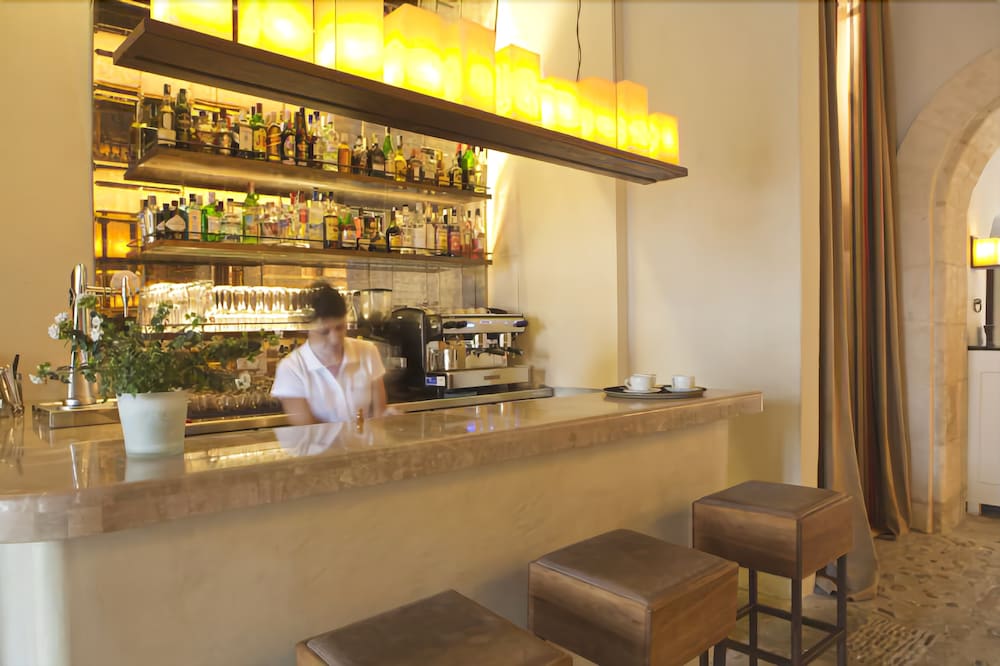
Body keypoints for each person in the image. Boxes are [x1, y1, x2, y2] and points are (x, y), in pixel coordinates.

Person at [271, 283, 388, 425]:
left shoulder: (368, 352)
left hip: (366, 440)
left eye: (340, 328)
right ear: (305, 327)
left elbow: (379, 415)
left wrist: (390, 420)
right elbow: (307, 429)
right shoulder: (291, 368)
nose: (334, 339)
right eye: (324, 332)